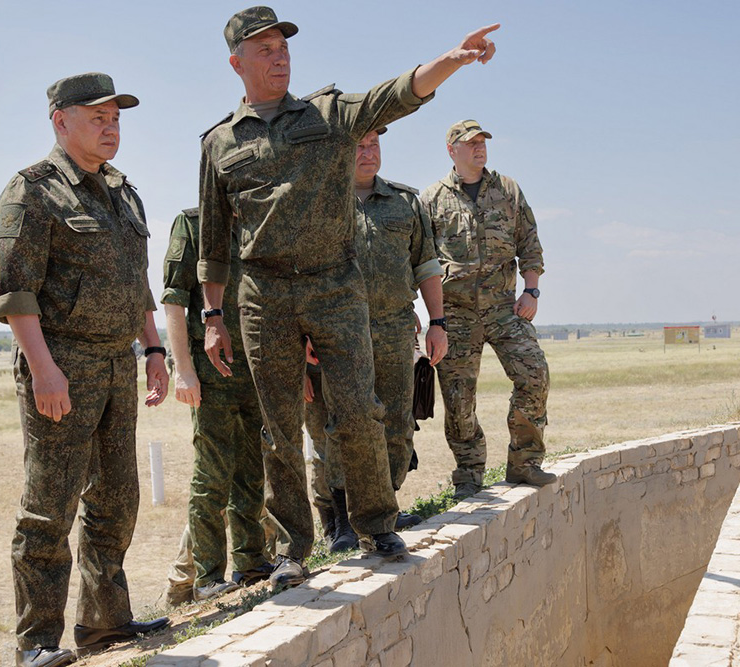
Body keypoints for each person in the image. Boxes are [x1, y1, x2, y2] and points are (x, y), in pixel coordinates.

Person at [199, 6, 498, 560]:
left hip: (335, 288)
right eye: (264, 49)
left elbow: (397, 94)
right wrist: (213, 317)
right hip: (264, 298)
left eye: (283, 45)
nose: (279, 55)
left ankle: (376, 524)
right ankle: (292, 548)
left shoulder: (328, 114)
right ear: (236, 63)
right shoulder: (219, 142)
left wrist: (452, 60)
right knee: (280, 427)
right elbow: (215, 242)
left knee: (361, 411)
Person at [0, 73, 169, 667]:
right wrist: (43, 367)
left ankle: (105, 624)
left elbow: (136, 280)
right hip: (62, 363)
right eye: (98, 116)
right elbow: (16, 292)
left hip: (119, 362)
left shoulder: (123, 192)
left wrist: (154, 350)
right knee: (50, 504)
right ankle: (36, 642)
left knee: (116, 500)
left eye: (116, 115)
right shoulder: (33, 191)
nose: (111, 125)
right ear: (60, 121)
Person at [309, 128, 447, 550]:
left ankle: (383, 509)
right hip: (339, 329)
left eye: (374, 145)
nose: (368, 153)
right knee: (345, 424)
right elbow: (307, 271)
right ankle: (346, 520)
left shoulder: (405, 202)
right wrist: (308, 331)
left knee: (397, 422)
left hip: (394, 327)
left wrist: (437, 321)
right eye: (358, 146)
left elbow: (425, 264)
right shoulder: (321, 201)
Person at [161, 207, 304, 604]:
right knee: (212, 474)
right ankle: (207, 576)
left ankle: (252, 561)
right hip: (209, 372)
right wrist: (184, 369)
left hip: (256, 367)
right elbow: (173, 301)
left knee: (251, 473)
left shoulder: (261, 224)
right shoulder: (192, 224)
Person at [421, 120, 555, 501]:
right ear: (452, 150)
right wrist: (434, 319)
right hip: (456, 313)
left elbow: (530, 244)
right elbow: (421, 261)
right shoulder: (431, 199)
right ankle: (468, 473)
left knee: (534, 374)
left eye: (482, 142)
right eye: (470, 143)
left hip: (503, 307)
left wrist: (531, 291)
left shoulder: (508, 190)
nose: (479, 148)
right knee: (459, 396)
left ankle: (525, 462)